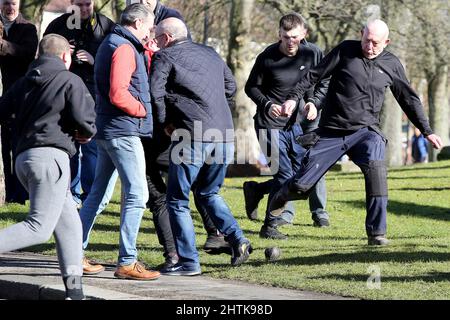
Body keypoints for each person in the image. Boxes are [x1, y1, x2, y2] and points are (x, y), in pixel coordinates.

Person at [268, 19, 443, 245]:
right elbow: (313, 75)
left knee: (377, 174)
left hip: (365, 132)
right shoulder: (345, 50)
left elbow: (408, 99)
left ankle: (376, 233)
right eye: (366, 40)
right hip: (331, 132)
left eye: (375, 44)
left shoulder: (392, 64)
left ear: (386, 42)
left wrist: (426, 130)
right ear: (361, 34)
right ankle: (283, 193)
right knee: (302, 186)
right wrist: (293, 99)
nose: (369, 47)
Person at [150, 17, 252, 275]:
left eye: (158, 37)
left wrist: (165, 122)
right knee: (209, 193)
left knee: (177, 200)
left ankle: (189, 262)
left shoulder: (165, 57)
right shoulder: (210, 53)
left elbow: (155, 94)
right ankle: (238, 239)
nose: (155, 41)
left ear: (168, 38)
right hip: (225, 135)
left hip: (191, 136)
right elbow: (230, 86)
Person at [0, 34, 97, 300]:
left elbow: (2, 111)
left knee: (69, 225)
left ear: (38, 56)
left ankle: (75, 293)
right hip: (51, 160)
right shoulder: (70, 79)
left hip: (24, 159)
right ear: (66, 56)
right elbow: (85, 119)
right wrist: (88, 132)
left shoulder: (24, 83)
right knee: (39, 227)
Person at [78, 3, 160, 280]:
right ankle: (127, 262)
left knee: (97, 197)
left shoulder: (113, 42)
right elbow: (118, 93)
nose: (151, 31)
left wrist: (146, 51)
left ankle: (73, 253)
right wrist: (142, 109)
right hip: (123, 131)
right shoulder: (124, 48)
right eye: (149, 26)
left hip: (107, 130)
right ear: (137, 23)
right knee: (138, 194)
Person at [243, 13, 330, 240]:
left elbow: (323, 83)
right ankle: (269, 226)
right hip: (268, 124)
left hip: (296, 125)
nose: (290, 42)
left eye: (294, 37)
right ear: (279, 35)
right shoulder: (267, 57)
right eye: (285, 37)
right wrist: (267, 103)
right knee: (284, 174)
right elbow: (251, 87)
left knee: (303, 175)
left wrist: (313, 102)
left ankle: (256, 190)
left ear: (304, 34)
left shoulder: (312, 54)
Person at [44, 0, 116, 207]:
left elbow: (116, 59)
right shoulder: (58, 26)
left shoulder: (106, 26)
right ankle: (69, 193)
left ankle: (90, 195)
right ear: (71, 4)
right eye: (79, 5)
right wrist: (62, 54)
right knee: (69, 145)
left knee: (92, 147)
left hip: (93, 96)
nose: (84, 9)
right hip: (63, 94)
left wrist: (95, 60)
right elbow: (44, 54)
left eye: (87, 4)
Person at [0, 0, 38, 204]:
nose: (10, 8)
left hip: (16, 98)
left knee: (17, 146)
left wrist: (3, 45)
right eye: (6, 3)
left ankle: (19, 193)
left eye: (13, 3)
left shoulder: (28, 28)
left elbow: (27, 53)